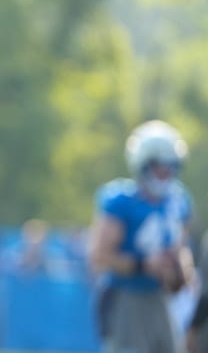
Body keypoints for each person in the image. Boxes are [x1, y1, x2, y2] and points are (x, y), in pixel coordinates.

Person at [88, 120, 195, 353]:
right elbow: (99, 257)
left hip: (160, 297)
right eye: (160, 166)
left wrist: (182, 272)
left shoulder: (178, 202)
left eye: (171, 166)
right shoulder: (122, 201)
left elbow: (180, 249)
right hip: (127, 296)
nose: (166, 173)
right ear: (144, 165)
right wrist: (143, 264)